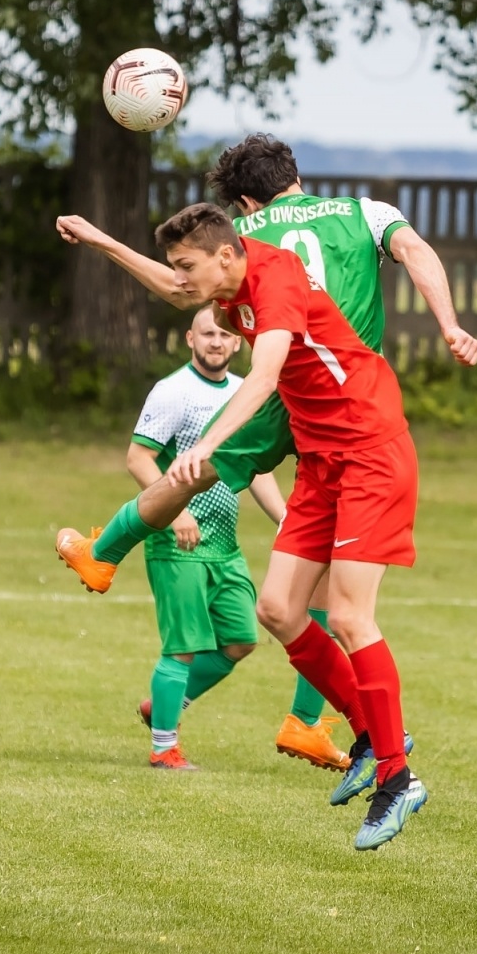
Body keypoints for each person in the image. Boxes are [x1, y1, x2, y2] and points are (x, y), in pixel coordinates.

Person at [57, 135, 477, 773]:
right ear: (296, 176)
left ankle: (104, 551)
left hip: (287, 389)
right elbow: (416, 251)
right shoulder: (364, 212)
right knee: (306, 588)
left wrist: (103, 241)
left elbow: (181, 291)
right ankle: (309, 722)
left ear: (244, 203)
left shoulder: (244, 237)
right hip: (342, 398)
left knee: (194, 476)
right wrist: (448, 323)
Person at [121, 306, 286, 769]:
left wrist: (285, 517)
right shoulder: (173, 391)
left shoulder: (245, 394)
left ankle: (163, 707)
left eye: (224, 335)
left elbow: (252, 468)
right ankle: (163, 748)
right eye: (206, 334)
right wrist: (177, 514)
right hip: (178, 544)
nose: (216, 341)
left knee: (240, 639)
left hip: (224, 548)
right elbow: (139, 458)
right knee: (183, 647)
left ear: (238, 343)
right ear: (190, 339)